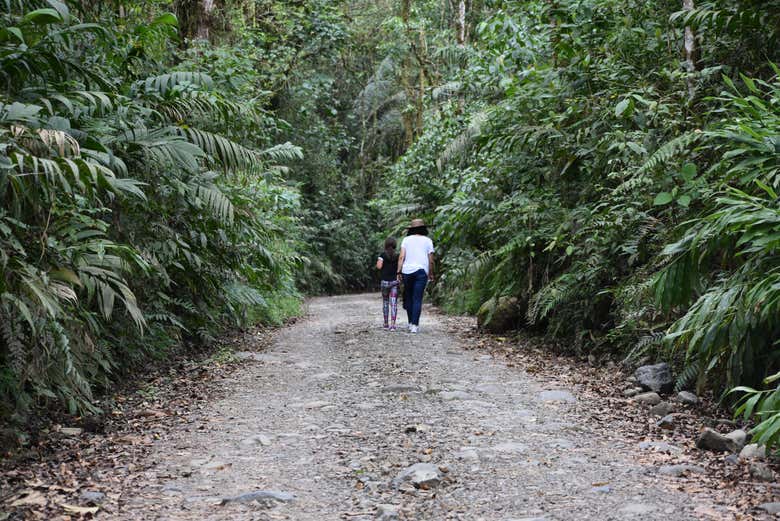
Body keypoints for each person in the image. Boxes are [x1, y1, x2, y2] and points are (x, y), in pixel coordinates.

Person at [396, 218, 435, 333]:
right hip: (421, 272)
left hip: (407, 271)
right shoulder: (428, 241)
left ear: (411, 229)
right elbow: (431, 260)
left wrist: (399, 271)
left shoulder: (406, 240)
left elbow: (401, 257)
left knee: (408, 297)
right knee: (417, 298)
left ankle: (409, 322)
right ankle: (415, 325)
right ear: (423, 229)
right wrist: (431, 273)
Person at [376, 237, 400, 331]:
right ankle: (393, 325)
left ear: (385, 245)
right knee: (393, 303)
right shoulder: (397, 256)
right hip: (394, 282)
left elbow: (379, 266)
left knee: (385, 301)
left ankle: (386, 323)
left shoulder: (382, 255)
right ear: (394, 245)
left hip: (385, 282)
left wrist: (379, 262)